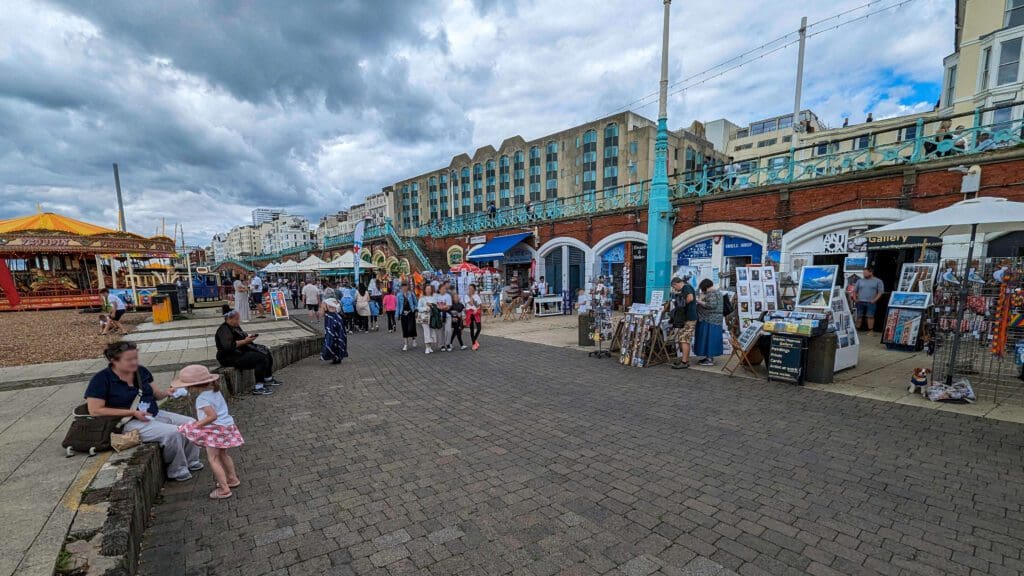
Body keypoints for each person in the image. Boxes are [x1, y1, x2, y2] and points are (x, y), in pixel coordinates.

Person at [85, 341, 201, 481]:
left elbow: (156, 394)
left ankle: (191, 460)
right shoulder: (101, 379)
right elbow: (95, 410)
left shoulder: (141, 371)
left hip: (153, 414)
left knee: (192, 423)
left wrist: (168, 392)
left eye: (136, 358)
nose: (134, 362)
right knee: (173, 433)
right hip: (126, 422)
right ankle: (177, 469)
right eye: (129, 360)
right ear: (113, 361)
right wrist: (132, 413)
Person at [171, 365, 244, 499]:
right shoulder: (215, 391)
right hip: (226, 426)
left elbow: (212, 416)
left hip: (214, 429)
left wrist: (196, 425)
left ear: (193, 386)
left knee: (213, 458)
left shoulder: (202, 399)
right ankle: (232, 479)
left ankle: (224, 489)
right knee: (223, 454)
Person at [214, 305, 281, 395]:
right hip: (230, 357)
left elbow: (242, 337)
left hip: (240, 352)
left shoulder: (235, 326)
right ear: (229, 319)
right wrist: (245, 341)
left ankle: (268, 378)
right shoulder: (223, 330)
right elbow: (228, 346)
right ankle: (259, 387)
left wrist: (249, 339)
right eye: (237, 319)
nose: (239, 321)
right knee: (260, 358)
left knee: (265, 351)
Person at [668, 275, 697, 369]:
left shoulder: (686, 287)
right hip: (688, 318)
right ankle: (685, 359)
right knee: (684, 339)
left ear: (676, 284)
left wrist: (682, 304)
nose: (675, 289)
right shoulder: (687, 287)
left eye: (674, 287)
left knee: (684, 339)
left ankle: (684, 362)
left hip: (689, 318)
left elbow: (690, 298)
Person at [693, 279, 724, 366]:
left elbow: (711, 305)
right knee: (711, 340)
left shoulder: (711, 293)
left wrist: (698, 301)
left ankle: (709, 359)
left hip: (710, 320)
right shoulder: (718, 292)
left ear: (705, 287)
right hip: (715, 320)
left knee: (708, 340)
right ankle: (708, 357)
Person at [855, 267, 885, 334]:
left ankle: (870, 331)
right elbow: (855, 291)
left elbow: (880, 292)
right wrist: (855, 299)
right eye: (863, 273)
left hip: (871, 302)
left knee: (870, 316)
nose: (864, 274)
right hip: (860, 301)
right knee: (859, 316)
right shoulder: (860, 281)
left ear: (871, 272)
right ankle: (856, 330)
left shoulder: (878, 281)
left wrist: (875, 300)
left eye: (865, 273)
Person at [320, 298, 349, 364]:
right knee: (340, 338)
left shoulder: (325, 302)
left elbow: (322, 314)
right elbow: (339, 310)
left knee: (330, 339)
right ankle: (338, 357)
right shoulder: (336, 301)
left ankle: (333, 356)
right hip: (338, 319)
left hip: (330, 320)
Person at [396, 282, 418, 350]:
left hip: (411, 312)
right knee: (405, 328)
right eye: (403, 286)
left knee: (412, 327)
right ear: (401, 287)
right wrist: (397, 314)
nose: (404, 288)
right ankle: (406, 344)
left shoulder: (411, 294)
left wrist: (415, 310)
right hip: (403, 313)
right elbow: (398, 306)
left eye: (405, 286)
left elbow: (415, 303)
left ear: (407, 287)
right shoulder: (399, 295)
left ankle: (414, 339)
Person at [418, 284, 438, 354]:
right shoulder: (422, 298)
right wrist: (425, 308)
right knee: (426, 332)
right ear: (424, 290)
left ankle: (430, 346)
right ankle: (427, 347)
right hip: (424, 317)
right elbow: (418, 308)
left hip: (432, 317)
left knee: (432, 331)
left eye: (429, 289)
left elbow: (436, 307)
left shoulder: (434, 297)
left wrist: (432, 306)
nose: (428, 290)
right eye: (427, 289)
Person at [465, 283, 483, 350]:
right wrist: (470, 296)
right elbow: (471, 303)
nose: (470, 290)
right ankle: (473, 344)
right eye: (469, 289)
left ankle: (474, 340)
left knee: (479, 328)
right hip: (470, 313)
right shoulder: (466, 296)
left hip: (476, 313)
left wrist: (477, 310)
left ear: (474, 289)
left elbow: (480, 305)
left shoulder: (477, 296)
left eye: (472, 289)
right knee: (471, 329)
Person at [436, 283, 453, 351]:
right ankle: (442, 344)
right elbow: (436, 305)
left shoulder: (448, 296)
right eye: (442, 289)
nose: (443, 290)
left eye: (445, 289)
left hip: (447, 315)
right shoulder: (437, 296)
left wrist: (443, 307)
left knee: (448, 330)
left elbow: (449, 306)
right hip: (439, 315)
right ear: (439, 290)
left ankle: (448, 343)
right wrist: (440, 307)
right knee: (440, 330)